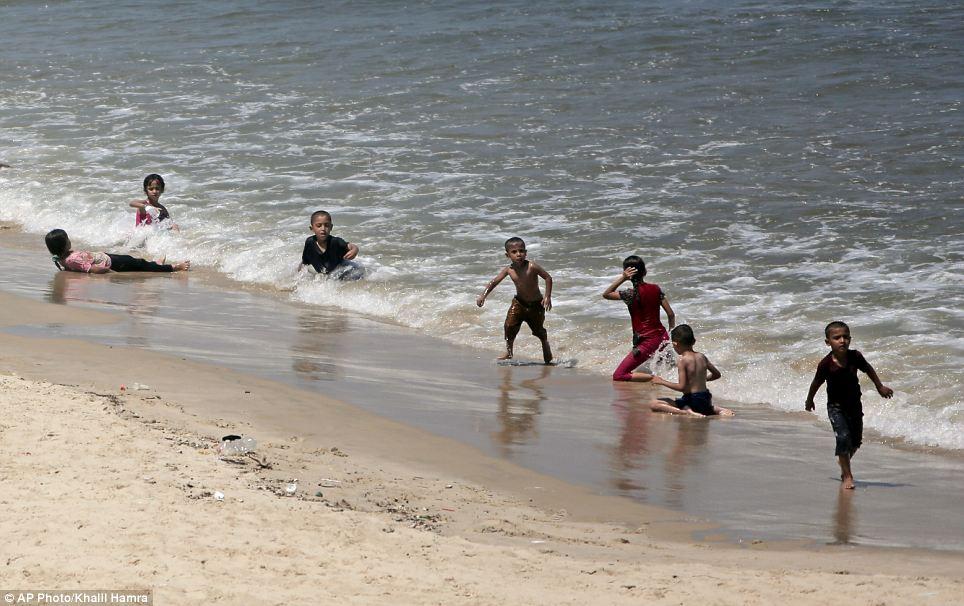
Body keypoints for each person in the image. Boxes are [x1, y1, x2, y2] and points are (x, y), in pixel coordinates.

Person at [805, 321, 893, 489]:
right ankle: (847, 475)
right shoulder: (825, 364)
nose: (842, 340)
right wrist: (809, 400)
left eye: (845, 337)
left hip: (854, 405)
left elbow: (868, 369)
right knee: (843, 437)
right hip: (835, 407)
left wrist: (879, 386)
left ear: (850, 339)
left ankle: (843, 459)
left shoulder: (855, 357)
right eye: (836, 337)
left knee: (856, 442)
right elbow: (816, 382)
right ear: (828, 342)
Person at [477, 237, 553, 364]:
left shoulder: (532, 266)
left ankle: (545, 344)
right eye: (514, 252)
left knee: (538, 330)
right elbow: (494, 282)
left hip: (536, 304)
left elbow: (548, 277)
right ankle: (509, 352)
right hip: (519, 302)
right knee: (509, 326)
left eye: (521, 251)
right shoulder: (509, 270)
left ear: (526, 252)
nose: (519, 254)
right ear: (507, 255)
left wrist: (547, 296)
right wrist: (483, 296)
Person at [603, 255, 675, 381]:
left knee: (619, 375)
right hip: (663, 337)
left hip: (647, 342)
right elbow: (671, 314)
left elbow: (606, 294)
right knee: (670, 368)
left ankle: (655, 379)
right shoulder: (656, 289)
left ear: (628, 273)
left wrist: (623, 278)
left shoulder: (630, 294)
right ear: (645, 272)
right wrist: (670, 333)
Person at [649, 324, 733, 417]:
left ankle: (686, 412)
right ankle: (716, 410)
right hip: (706, 398)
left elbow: (682, 387)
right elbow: (717, 374)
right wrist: (702, 379)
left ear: (675, 344)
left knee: (654, 404)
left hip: (692, 400)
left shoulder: (682, 360)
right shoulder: (702, 356)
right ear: (694, 341)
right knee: (704, 407)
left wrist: (662, 381)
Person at [45, 229, 189, 273]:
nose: (70, 241)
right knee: (139, 264)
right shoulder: (71, 259)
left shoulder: (64, 258)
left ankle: (155, 264)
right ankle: (174, 267)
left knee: (136, 262)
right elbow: (90, 269)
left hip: (108, 257)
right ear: (63, 245)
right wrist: (107, 270)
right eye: (67, 239)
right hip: (112, 263)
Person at [298, 210, 361, 279]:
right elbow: (305, 262)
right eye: (319, 226)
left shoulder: (336, 241)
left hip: (340, 268)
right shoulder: (309, 242)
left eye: (327, 225)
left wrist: (355, 250)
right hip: (322, 268)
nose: (323, 229)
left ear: (331, 227)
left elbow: (351, 246)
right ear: (312, 228)